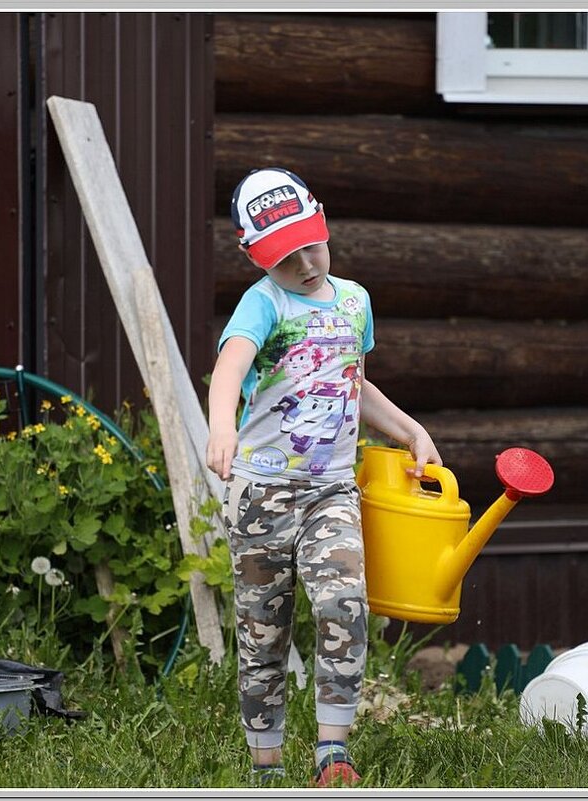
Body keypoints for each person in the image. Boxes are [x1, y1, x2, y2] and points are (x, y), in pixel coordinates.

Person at [206, 167, 442, 787]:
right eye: (287, 256)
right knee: (264, 634)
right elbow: (229, 369)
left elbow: (352, 381)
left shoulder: (353, 301)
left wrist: (410, 429)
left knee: (343, 602)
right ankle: (266, 765)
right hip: (259, 494)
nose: (307, 263)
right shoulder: (264, 302)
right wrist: (222, 426)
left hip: (331, 489)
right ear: (256, 255)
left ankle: (331, 753)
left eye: (313, 243)